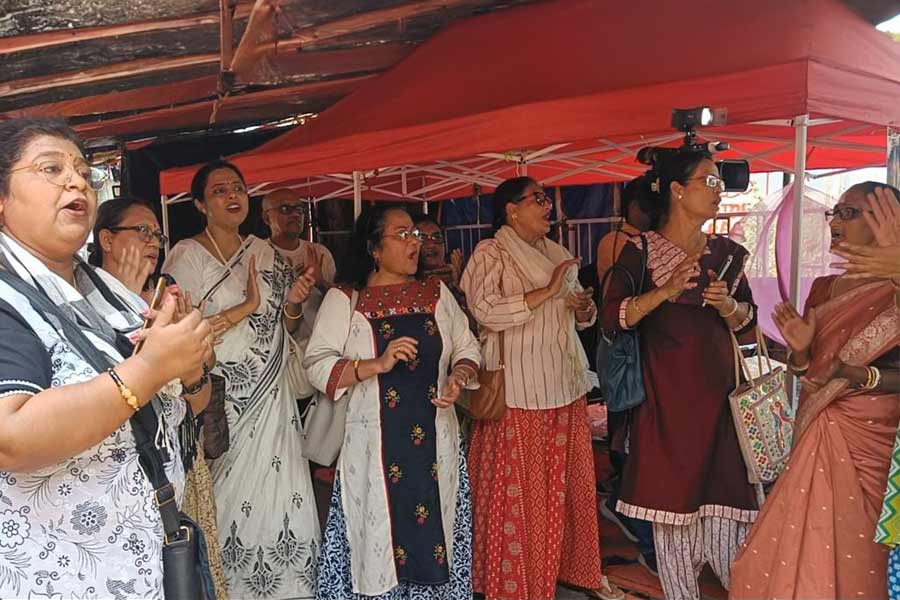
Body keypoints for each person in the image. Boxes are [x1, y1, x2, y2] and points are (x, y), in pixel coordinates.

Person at [0, 117, 213, 599]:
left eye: (82, 169)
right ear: (2, 200)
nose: (76, 180)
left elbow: (186, 408)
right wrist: (152, 366)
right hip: (58, 577)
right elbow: (10, 438)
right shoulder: (7, 298)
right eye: (50, 169)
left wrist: (189, 361)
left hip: (145, 560)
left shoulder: (109, 293)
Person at [600, 152, 760, 599]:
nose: (717, 190)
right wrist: (665, 291)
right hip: (664, 411)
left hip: (722, 411)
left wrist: (729, 306)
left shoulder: (727, 253)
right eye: (708, 180)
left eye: (718, 181)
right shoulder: (640, 251)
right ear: (676, 189)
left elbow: (749, 332)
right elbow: (612, 319)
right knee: (674, 548)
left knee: (732, 548)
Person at [729, 182, 900, 599]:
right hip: (817, 430)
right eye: (834, 213)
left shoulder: (894, 290)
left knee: (860, 551)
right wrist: (802, 352)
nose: (835, 223)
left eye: (850, 213)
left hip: (874, 439)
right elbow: (807, 374)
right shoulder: (824, 288)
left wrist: (857, 376)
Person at [304, 205, 481, 600]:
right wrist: (376, 364)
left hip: (436, 444)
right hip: (373, 450)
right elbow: (316, 365)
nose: (414, 243)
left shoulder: (437, 294)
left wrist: (458, 377)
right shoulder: (346, 299)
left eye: (415, 235)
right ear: (374, 248)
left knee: (439, 536)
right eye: (401, 235)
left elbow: (468, 347)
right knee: (377, 546)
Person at [163, 160, 321, 600]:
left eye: (238, 188)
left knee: (285, 501)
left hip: (272, 403)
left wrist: (291, 303)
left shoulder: (266, 253)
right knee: (229, 505)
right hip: (220, 402)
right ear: (199, 204)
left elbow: (283, 330)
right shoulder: (184, 257)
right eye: (219, 191)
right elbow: (182, 334)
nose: (232, 196)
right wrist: (247, 305)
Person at [460, 176, 624, 600]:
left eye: (546, 199)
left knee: (565, 491)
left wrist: (581, 308)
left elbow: (575, 317)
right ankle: (515, 582)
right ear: (511, 210)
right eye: (537, 199)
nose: (548, 206)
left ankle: (565, 570)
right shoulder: (490, 252)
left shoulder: (558, 253)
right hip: (518, 391)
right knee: (521, 497)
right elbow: (485, 311)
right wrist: (547, 292)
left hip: (564, 386)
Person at [88, 195, 230, 600]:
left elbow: (197, 399)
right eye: (142, 231)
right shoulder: (86, 303)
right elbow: (117, 388)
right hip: (123, 484)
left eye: (157, 233)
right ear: (107, 240)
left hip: (178, 465)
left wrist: (193, 359)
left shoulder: (163, 295)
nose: (153, 241)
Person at [595, 175, 655, 575]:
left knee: (631, 431)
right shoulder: (625, 245)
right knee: (629, 430)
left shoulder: (637, 244)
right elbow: (614, 304)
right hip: (627, 348)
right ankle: (623, 503)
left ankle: (623, 500)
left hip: (632, 350)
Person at [262, 188, 336, 342]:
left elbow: (339, 304)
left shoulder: (319, 252)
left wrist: (320, 282)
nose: (295, 214)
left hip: (317, 345)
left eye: (300, 209)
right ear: (266, 218)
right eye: (285, 209)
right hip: (275, 349)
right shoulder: (257, 255)